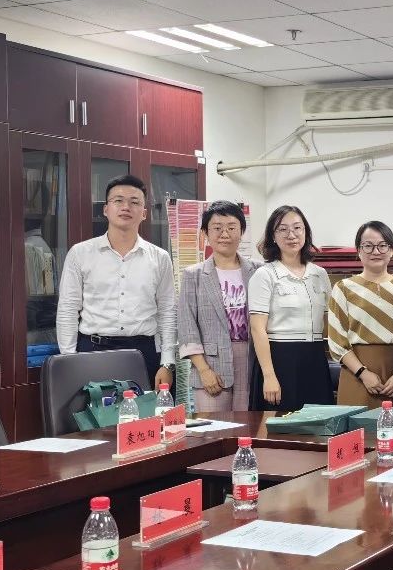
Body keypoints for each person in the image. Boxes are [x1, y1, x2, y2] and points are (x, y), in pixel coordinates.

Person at [56, 174, 175, 389]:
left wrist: (167, 363)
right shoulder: (80, 253)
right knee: (94, 412)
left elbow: (167, 312)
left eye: (134, 202)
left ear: (144, 213)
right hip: (93, 351)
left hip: (144, 352)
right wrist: (69, 360)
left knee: (146, 411)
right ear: (106, 209)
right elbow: (68, 309)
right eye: (118, 200)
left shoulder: (160, 258)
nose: (126, 207)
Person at [248, 205, 334, 412]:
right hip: (280, 359)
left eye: (297, 228)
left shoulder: (320, 274)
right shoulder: (265, 275)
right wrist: (269, 376)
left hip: (315, 358)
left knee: (318, 422)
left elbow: (328, 322)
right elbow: (257, 329)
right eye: (283, 229)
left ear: (306, 232)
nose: (291, 235)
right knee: (280, 423)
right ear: (273, 236)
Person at [177, 201, 261, 412]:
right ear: (205, 233)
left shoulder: (259, 271)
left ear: (241, 231)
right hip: (210, 363)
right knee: (213, 426)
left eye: (232, 227)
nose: (225, 234)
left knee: (248, 424)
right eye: (217, 228)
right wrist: (203, 370)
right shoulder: (193, 275)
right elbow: (187, 326)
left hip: (252, 360)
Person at [329, 221, 393, 409]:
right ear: (359, 250)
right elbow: (337, 341)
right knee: (356, 426)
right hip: (356, 374)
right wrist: (363, 373)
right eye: (368, 246)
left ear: (392, 250)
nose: (375, 251)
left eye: (382, 245)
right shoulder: (343, 288)